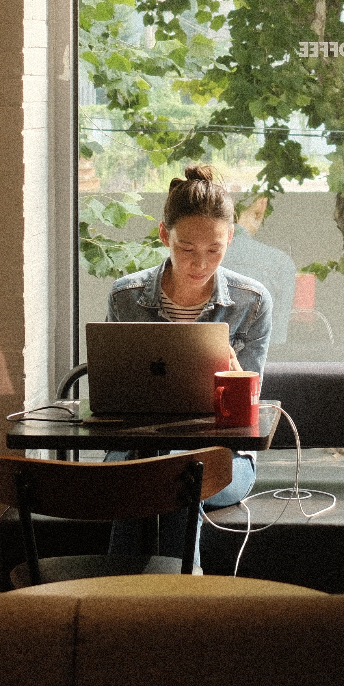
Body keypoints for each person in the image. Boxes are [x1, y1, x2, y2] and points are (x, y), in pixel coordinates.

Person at [102, 164, 271, 566]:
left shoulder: (252, 302)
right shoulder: (126, 297)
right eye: (186, 248)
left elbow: (247, 418)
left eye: (214, 249)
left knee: (180, 475)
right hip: (137, 448)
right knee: (164, 474)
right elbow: (113, 396)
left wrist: (235, 382)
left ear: (230, 237)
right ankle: (177, 606)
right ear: (165, 235)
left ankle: (114, 603)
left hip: (223, 456)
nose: (200, 263)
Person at [221, 193, 297, 355]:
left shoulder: (192, 259)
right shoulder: (282, 264)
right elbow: (276, 340)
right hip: (262, 369)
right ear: (260, 209)